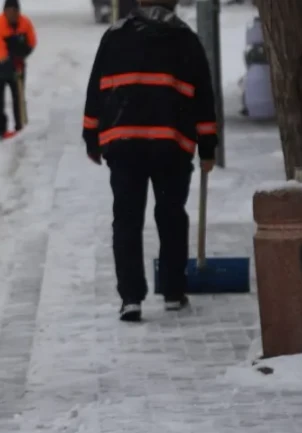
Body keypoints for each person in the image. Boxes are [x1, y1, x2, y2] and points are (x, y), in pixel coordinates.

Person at [81, 0, 217, 322]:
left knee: (126, 220)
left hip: (124, 145)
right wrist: (208, 148)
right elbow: (203, 99)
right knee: (171, 216)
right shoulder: (185, 39)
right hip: (171, 147)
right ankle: (172, 291)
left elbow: (96, 91)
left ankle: (131, 298)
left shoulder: (115, 37)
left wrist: (91, 138)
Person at [0, 0, 37, 140]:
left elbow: (32, 42)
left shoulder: (25, 23)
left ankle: (20, 126)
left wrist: (22, 55)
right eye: (9, 11)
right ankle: (1, 129)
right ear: (4, 12)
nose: (12, 14)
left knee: (19, 98)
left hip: (17, 67)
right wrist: (12, 64)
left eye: (15, 11)